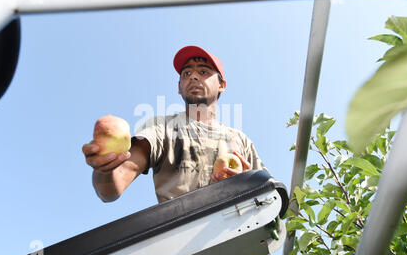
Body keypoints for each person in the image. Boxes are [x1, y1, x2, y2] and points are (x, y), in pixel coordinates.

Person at [82, 45, 271, 203]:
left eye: (203, 71)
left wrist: (249, 184)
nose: (193, 77)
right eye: (186, 73)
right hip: (179, 237)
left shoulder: (240, 140)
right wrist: (104, 169)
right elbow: (111, 189)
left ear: (222, 85)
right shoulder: (161, 128)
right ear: (179, 87)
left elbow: (271, 198)